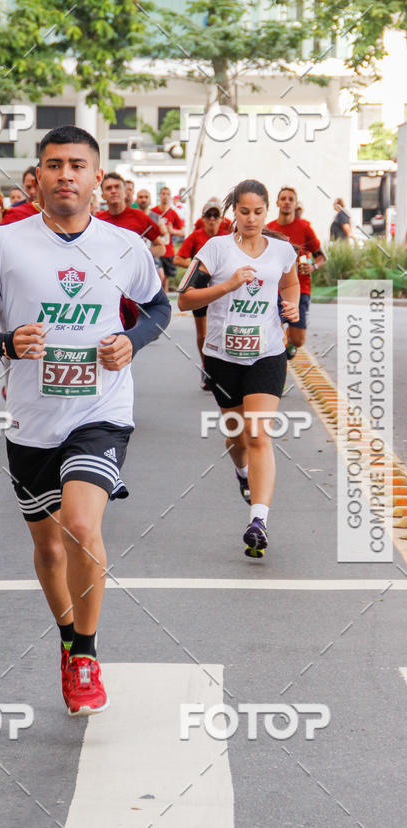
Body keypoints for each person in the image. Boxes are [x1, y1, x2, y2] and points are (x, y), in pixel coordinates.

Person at [0, 124, 171, 716]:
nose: (65, 174)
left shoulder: (125, 246)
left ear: (99, 177)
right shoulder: (3, 244)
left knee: (80, 525)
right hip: (30, 419)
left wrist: (132, 339)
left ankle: (87, 655)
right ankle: (69, 638)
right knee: (49, 548)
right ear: (37, 178)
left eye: (77, 165)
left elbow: (157, 306)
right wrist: (4, 342)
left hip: (101, 410)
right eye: (54, 165)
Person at [178, 179, 299, 558]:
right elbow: (184, 300)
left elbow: (290, 283)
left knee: (259, 434)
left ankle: (258, 521)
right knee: (236, 436)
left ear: (267, 212)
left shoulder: (281, 251)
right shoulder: (215, 249)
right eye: (244, 212)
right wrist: (228, 285)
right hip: (221, 356)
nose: (251, 219)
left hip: (267, 353)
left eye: (258, 212)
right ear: (234, 213)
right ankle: (242, 473)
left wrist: (291, 307)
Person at [95, 173, 165, 326]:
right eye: (108, 188)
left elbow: (161, 248)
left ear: (125, 191)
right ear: (102, 195)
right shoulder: (96, 220)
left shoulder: (140, 217)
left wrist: (139, 254)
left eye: (117, 187)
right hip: (105, 286)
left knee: (128, 338)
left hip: (131, 290)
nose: (113, 191)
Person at [174, 198, 228, 390]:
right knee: (203, 332)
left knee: (222, 329)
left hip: (222, 290)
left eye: (216, 216)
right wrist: (199, 268)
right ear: (203, 219)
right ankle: (207, 368)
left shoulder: (228, 236)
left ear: (221, 219)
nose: (212, 220)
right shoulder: (196, 236)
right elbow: (177, 258)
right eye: (208, 216)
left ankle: (223, 366)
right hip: (200, 289)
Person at [267, 186, 326, 358]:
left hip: (300, 288)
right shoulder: (269, 229)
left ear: (295, 204)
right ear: (277, 203)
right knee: (273, 333)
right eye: (283, 198)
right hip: (274, 289)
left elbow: (321, 256)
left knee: (299, 340)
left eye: (290, 199)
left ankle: (290, 339)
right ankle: (275, 360)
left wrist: (312, 266)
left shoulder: (304, 228)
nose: (286, 202)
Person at [151, 186, 185, 288]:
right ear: (159, 196)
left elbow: (183, 232)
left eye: (167, 194)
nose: (165, 196)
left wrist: (172, 231)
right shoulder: (153, 212)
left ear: (170, 197)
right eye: (163, 194)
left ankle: (164, 300)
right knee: (158, 276)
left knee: (165, 278)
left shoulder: (173, 213)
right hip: (156, 248)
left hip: (168, 250)